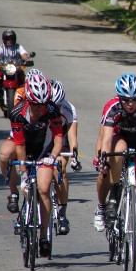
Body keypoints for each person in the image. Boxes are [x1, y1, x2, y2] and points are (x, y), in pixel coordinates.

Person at [94, 73, 136, 260]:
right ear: (119, 98)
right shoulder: (112, 107)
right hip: (118, 141)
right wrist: (104, 160)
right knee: (118, 150)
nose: (130, 104)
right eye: (126, 100)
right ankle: (113, 195)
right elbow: (106, 140)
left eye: (134, 99)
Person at [10, 74, 63, 258]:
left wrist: (53, 157)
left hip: (45, 150)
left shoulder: (52, 110)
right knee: (19, 167)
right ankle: (15, 193)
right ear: (28, 100)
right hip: (26, 145)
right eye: (35, 105)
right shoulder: (17, 112)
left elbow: (58, 139)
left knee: (43, 189)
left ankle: (43, 237)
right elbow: (20, 145)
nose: (40, 109)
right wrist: (23, 175)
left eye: (43, 105)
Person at [0, 69, 46, 214]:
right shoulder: (20, 93)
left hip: (40, 136)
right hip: (20, 135)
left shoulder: (45, 98)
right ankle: (14, 192)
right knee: (6, 155)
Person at [47, 79, 80, 234]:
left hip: (60, 142)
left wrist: (74, 157)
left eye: (58, 105)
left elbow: (72, 136)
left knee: (59, 168)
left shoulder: (69, 109)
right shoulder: (37, 106)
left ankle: (62, 214)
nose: (55, 109)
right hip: (41, 142)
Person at [0, 30, 31, 101]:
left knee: (24, 78)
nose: (10, 40)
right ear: (4, 39)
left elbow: (24, 54)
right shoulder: (1, 47)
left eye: (11, 38)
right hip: (4, 67)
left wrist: (26, 58)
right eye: (8, 39)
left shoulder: (18, 47)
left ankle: (24, 92)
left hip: (16, 68)